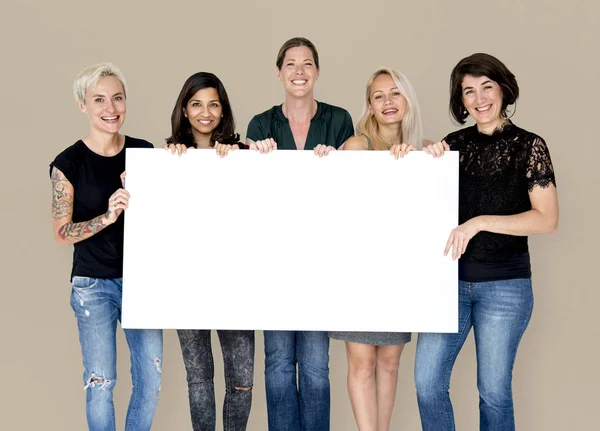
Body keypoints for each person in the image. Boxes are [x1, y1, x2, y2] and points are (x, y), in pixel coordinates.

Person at [415, 53, 559, 431]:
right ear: (460, 101)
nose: (479, 98)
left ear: (503, 89)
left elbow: (547, 220)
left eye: (487, 87)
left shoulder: (530, 146)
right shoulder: (453, 145)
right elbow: (423, 195)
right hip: (449, 286)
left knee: (493, 393)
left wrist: (477, 223)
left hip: (506, 289)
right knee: (427, 384)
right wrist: (426, 154)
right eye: (468, 91)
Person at [245, 37, 354, 431]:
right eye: (290, 64)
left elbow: (356, 185)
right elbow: (251, 194)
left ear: (318, 71)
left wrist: (338, 162)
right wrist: (257, 156)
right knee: (276, 363)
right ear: (279, 72)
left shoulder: (339, 120)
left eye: (307, 64)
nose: (299, 71)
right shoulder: (260, 124)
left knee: (314, 365)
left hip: (321, 259)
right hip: (273, 260)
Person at [49, 63, 162, 431]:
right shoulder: (68, 163)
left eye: (117, 98)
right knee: (100, 383)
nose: (110, 107)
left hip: (141, 283)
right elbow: (61, 232)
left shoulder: (144, 154)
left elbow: (171, 214)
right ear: (82, 105)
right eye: (99, 99)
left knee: (151, 381)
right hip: (92, 286)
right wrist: (107, 216)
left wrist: (153, 189)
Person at [328, 67, 431, 431]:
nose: (388, 102)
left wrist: (428, 160)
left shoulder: (422, 151)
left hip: (399, 274)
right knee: (361, 364)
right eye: (378, 96)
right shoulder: (358, 146)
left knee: (389, 363)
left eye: (395, 93)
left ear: (407, 100)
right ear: (369, 106)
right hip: (358, 273)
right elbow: (337, 211)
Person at [164, 71, 255, 431]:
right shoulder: (170, 159)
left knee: (242, 379)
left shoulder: (242, 153)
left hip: (236, 282)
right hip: (188, 282)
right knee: (199, 378)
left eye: (214, 104)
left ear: (223, 109)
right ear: (184, 110)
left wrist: (250, 156)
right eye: (197, 104)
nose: (206, 112)